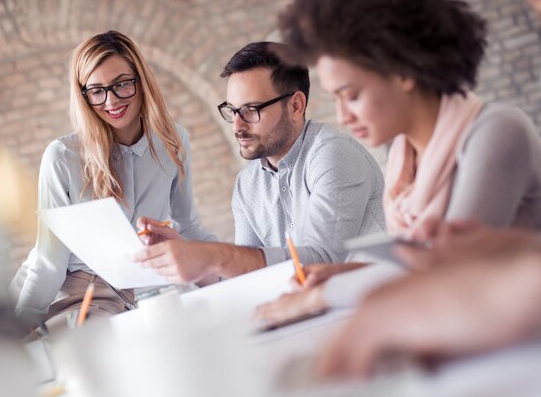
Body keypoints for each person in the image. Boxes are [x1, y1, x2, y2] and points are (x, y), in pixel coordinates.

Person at [287, 0, 541, 379]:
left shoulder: (496, 131)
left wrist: (320, 297)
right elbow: (425, 260)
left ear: (401, 72)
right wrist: (347, 275)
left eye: (351, 95)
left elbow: (450, 274)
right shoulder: (402, 154)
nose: (343, 116)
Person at [132, 42, 386, 283]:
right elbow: (247, 275)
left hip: (377, 306)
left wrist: (213, 256)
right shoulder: (247, 183)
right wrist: (187, 255)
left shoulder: (332, 154)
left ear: (296, 105)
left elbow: (323, 262)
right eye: (232, 111)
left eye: (251, 110)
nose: (237, 126)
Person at [13, 30, 216, 329]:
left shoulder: (174, 140)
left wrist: (233, 264)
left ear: (140, 81)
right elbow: (49, 262)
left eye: (122, 84)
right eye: (96, 91)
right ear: (83, 95)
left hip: (149, 291)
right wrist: (12, 335)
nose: (111, 101)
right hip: (81, 294)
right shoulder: (62, 157)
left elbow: (188, 224)